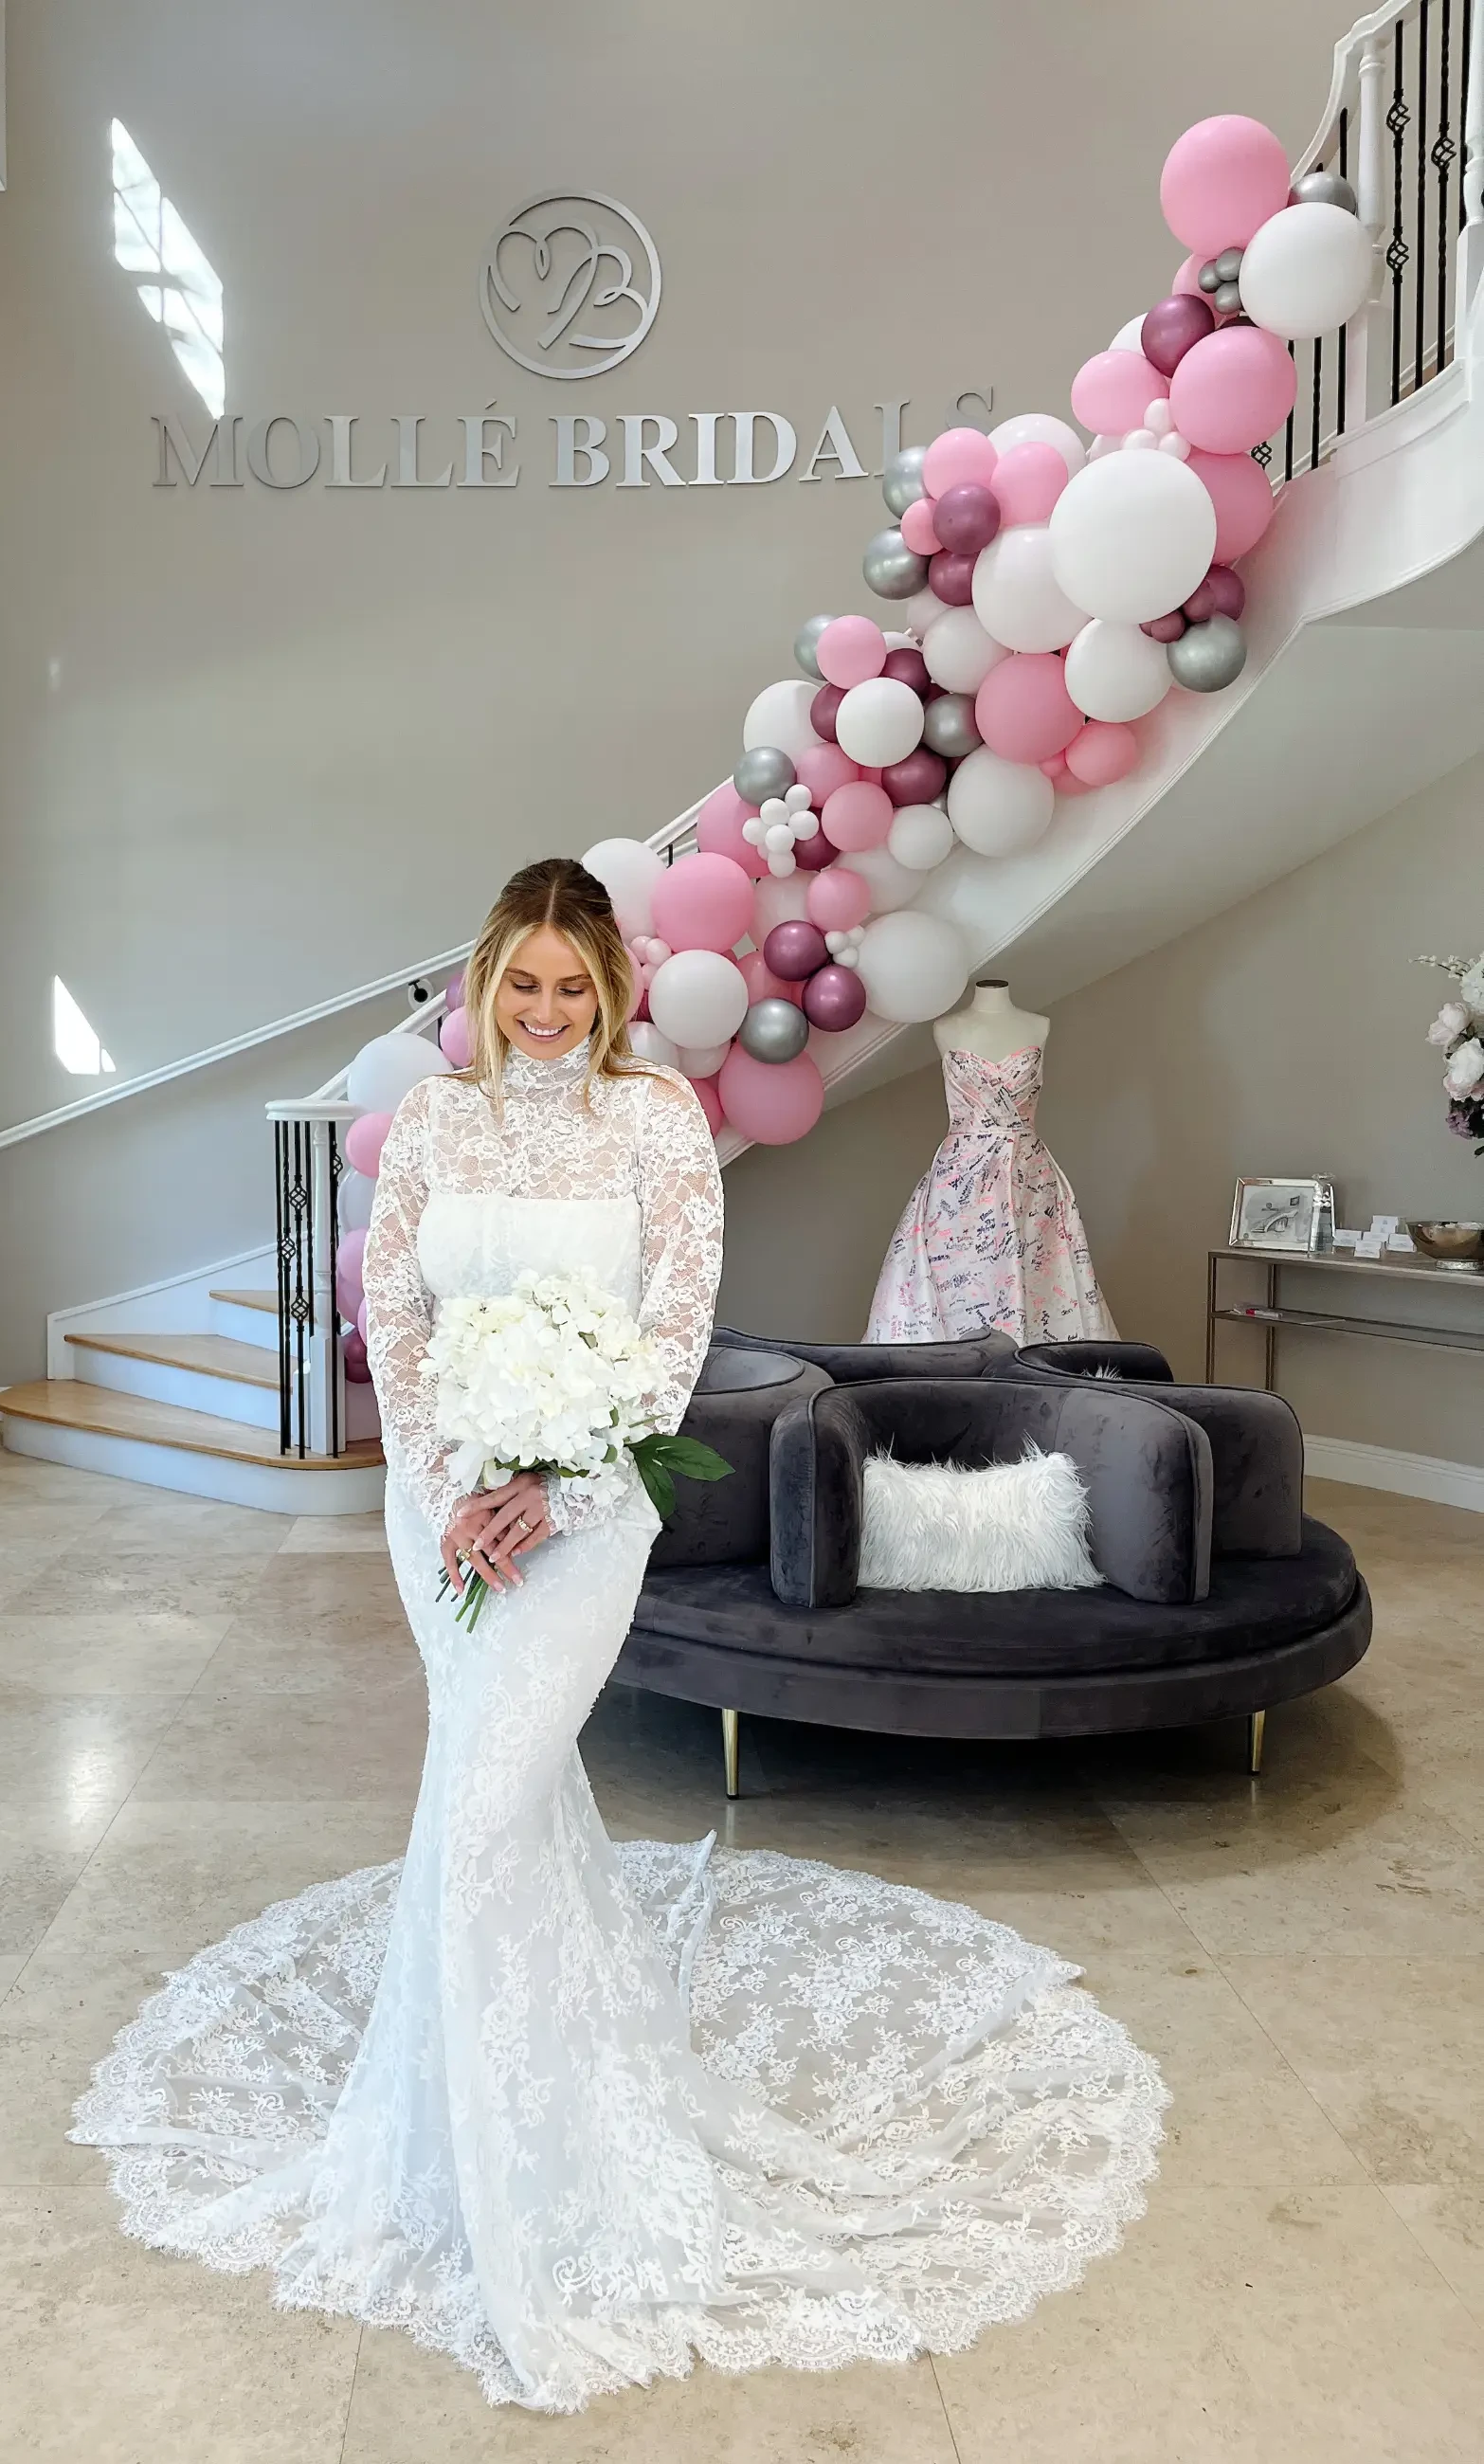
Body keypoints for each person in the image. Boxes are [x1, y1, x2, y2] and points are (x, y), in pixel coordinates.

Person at [72, 857, 1165, 2413]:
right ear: (480, 983)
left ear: (614, 990)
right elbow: (396, 1317)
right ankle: (460, 2126)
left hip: (584, 1514)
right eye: (518, 984)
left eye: (571, 988)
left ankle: (536, 2160)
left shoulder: (655, 1122)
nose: (542, 1013)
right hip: (441, 1509)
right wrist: (454, 1481)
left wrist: (549, 1480)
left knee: (488, 1799)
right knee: (486, 1798)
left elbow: (669, 1335)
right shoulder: (437, 1123)